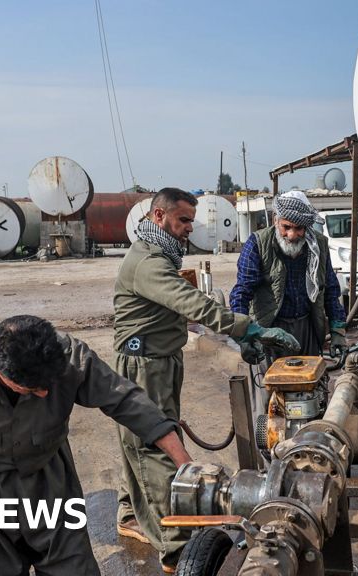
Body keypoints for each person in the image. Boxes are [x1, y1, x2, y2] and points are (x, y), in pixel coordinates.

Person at [0, 315, 188, 576]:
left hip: (50, 479)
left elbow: (126, 400)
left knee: (74, 566)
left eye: (48, 385)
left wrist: (185, 464)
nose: (44, 394)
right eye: (31, 389)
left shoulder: (68, 355)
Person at [113, 187, 298, 572]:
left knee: (147, 440)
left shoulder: (159, 255)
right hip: (145, 365)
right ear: (159, 216)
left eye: (190, 221)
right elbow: (192, 304)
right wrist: (248, 328)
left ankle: (131, 512)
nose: (188, 228)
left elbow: (182, 310)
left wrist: (239, 334)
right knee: (156, 448)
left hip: (159, 361)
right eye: (183, 220)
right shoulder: (148, 262)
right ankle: (177, 549)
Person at [229, 190, 348, 364]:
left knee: (309, 377)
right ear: (275, 220)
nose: (292, 235)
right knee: (273, 379)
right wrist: (243, 335)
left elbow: (330, 289)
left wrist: (338, 331)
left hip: (307, 326)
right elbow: (242, 292)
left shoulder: (319, 245)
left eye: (299, 228)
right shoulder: (257, 244)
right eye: (286, 227)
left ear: (306, 227)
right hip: (269, 328)